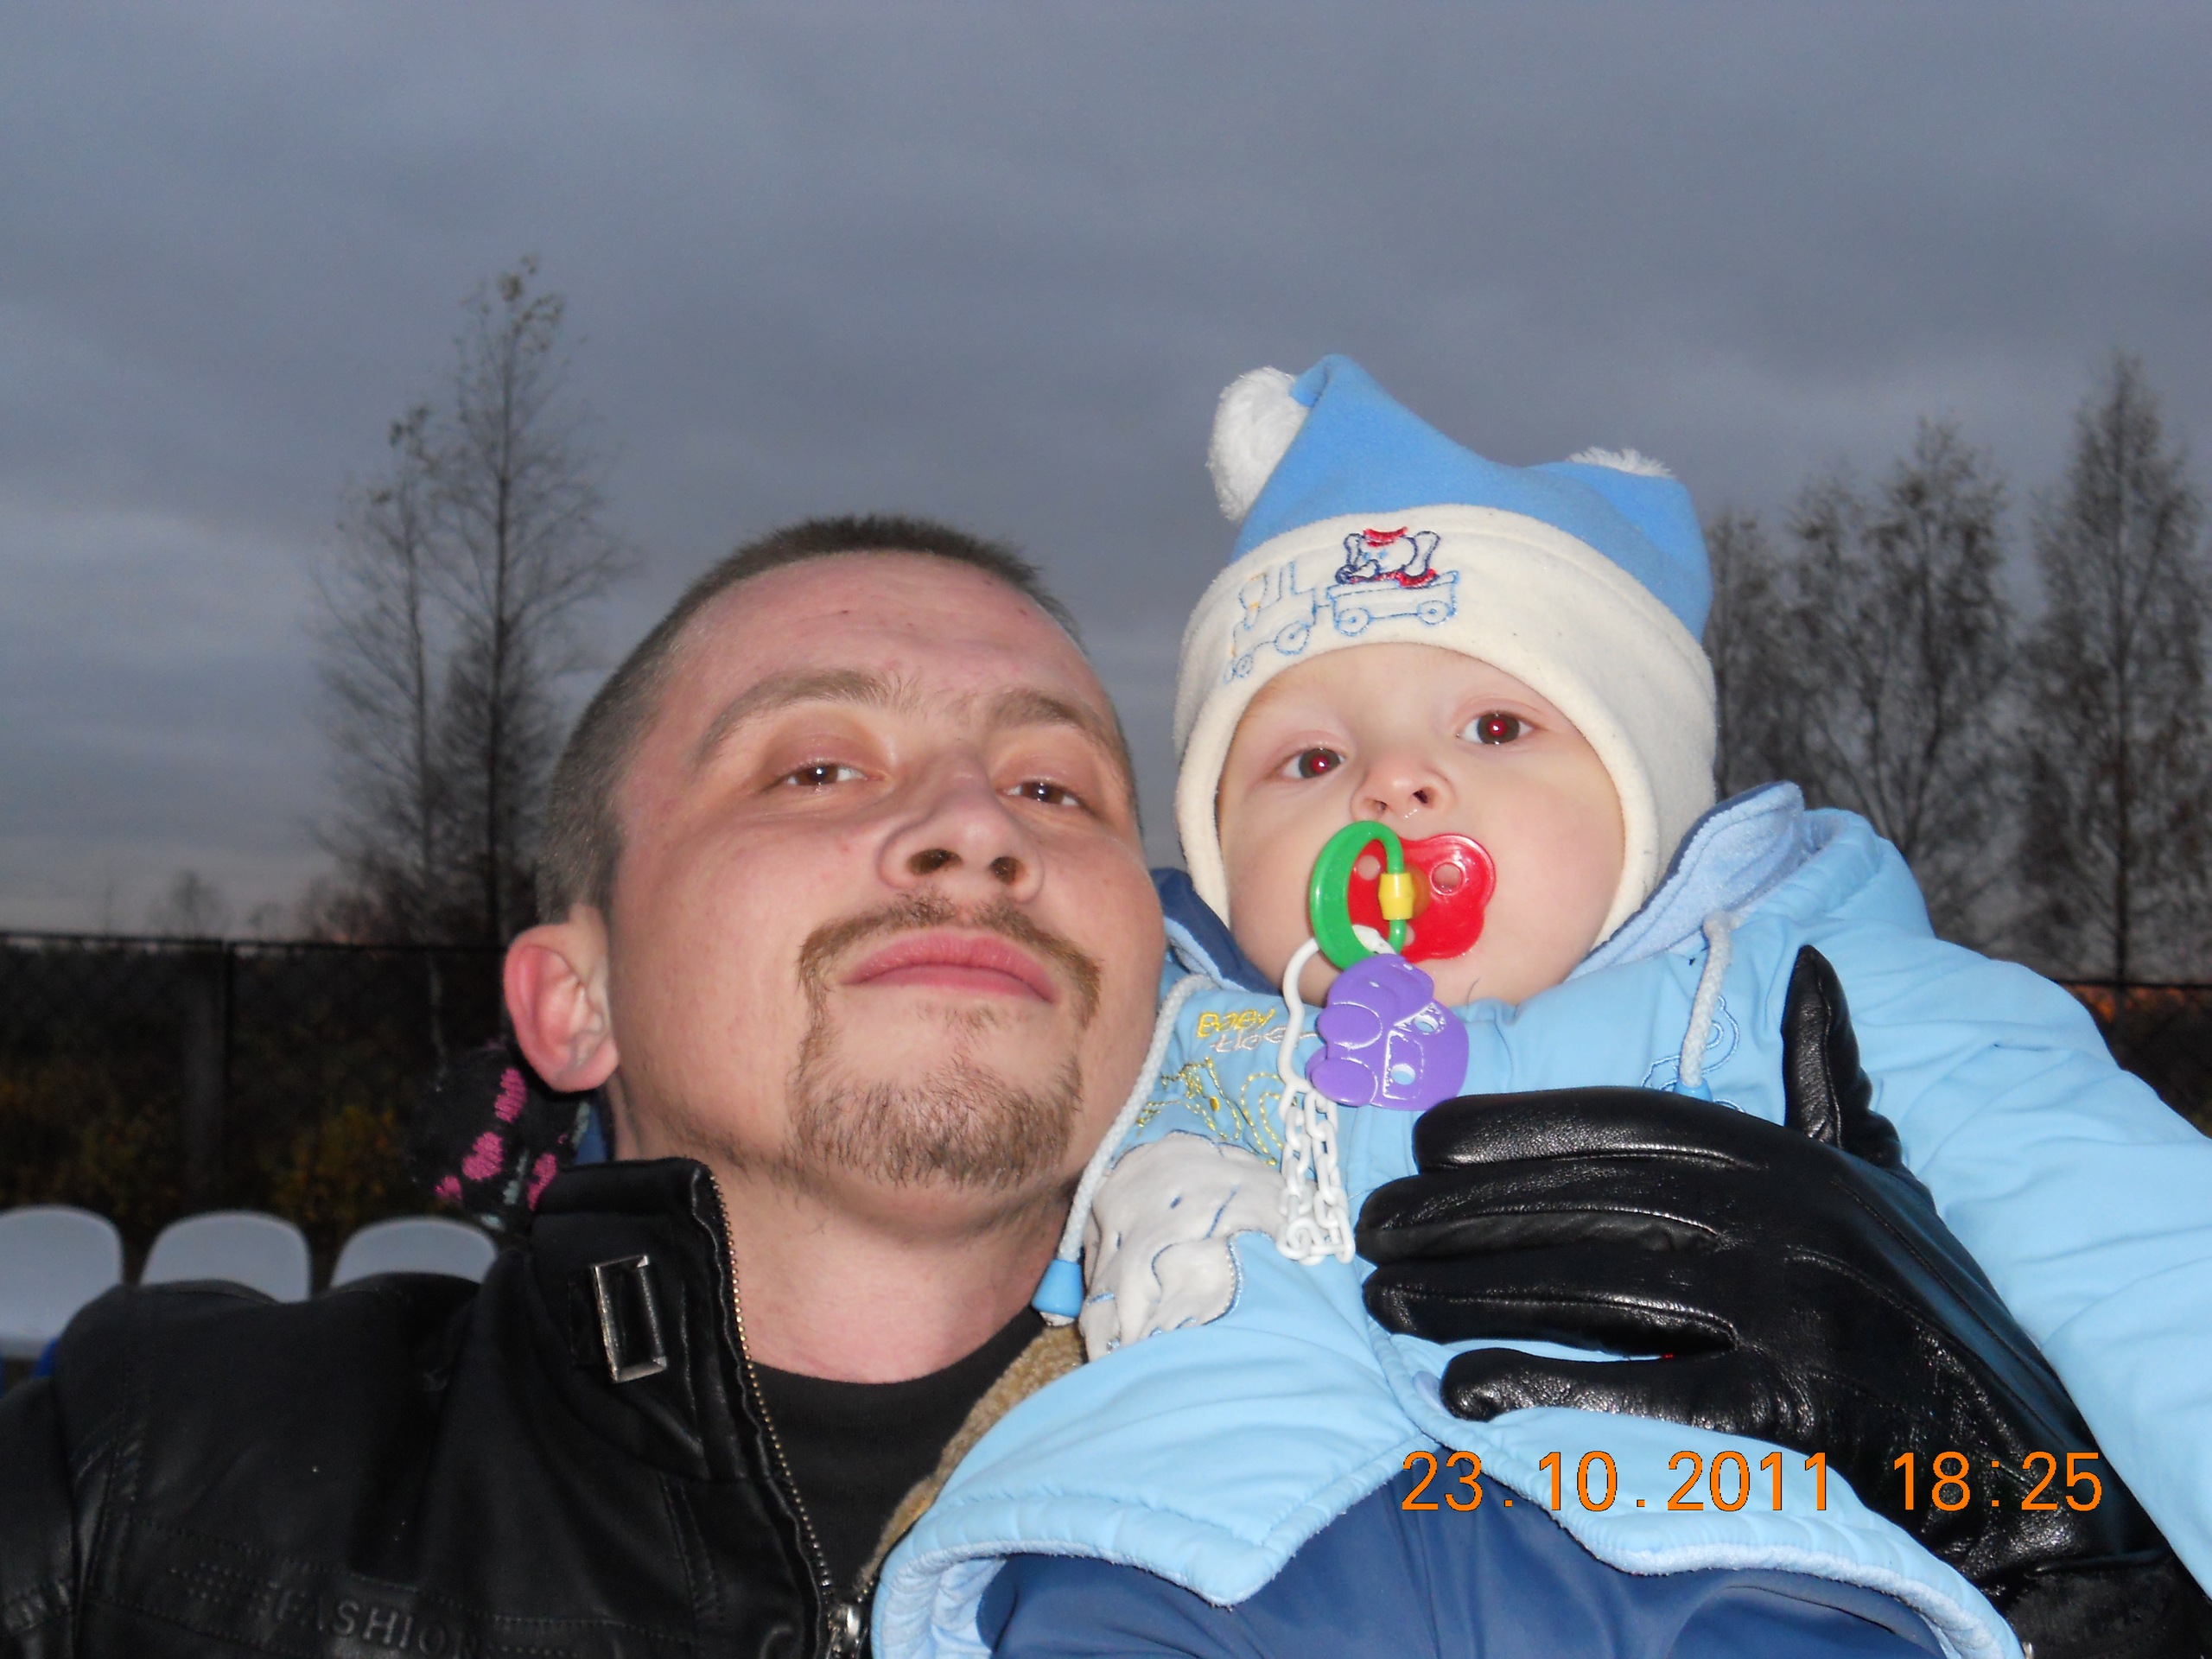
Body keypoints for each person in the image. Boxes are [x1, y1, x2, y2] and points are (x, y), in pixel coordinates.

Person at [0, 512, 2176, 1659]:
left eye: (1054, 786)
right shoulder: (162, 1475)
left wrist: (2067, 1573)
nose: (972, 828)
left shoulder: (1476, 1481)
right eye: (817, 766)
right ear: (569, 999)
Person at [876, 360, 2212, 1659]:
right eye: (1311, 757)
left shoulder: (1814, 993)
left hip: (1715, 1569)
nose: (1393, 786)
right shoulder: (1158, 1033)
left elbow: (2145, 1265)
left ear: (1647, 807)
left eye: (1497, 729)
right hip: (1193, 1573)